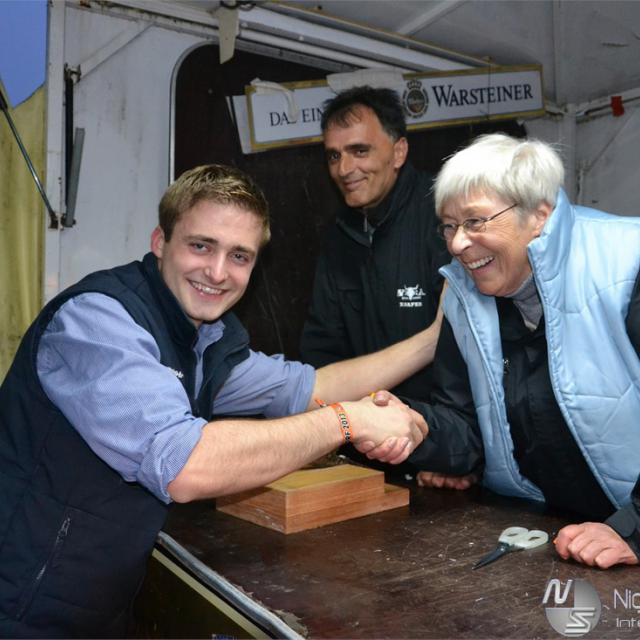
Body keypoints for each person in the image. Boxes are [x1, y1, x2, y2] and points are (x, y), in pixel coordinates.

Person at [0, 164, 432, 638]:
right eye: (201, 246)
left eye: (239, 255)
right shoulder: (100, 321)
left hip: (96, 603)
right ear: (160, 241)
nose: (218, 272)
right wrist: (347, 421)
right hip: (21, 605)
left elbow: (310, 387)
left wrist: (433, 340)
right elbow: (186, 465)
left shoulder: (204, 340)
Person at [406, 132, 640, 569]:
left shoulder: (628, 261)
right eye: (449, 226)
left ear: (538, 216)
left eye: (475, 221)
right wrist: (410, 430)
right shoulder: (464, 298)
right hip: (556, 536)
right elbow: (467, 425)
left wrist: (635, 528)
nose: (457, 244)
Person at [299, 86, 450, 402]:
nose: (344, 169)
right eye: (334, 155)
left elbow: (466, 348)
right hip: (365, 420)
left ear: (399, 152)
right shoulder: (339, 235)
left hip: (440, 421)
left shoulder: (445, 218)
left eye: (359, 151)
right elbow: (321, 345)